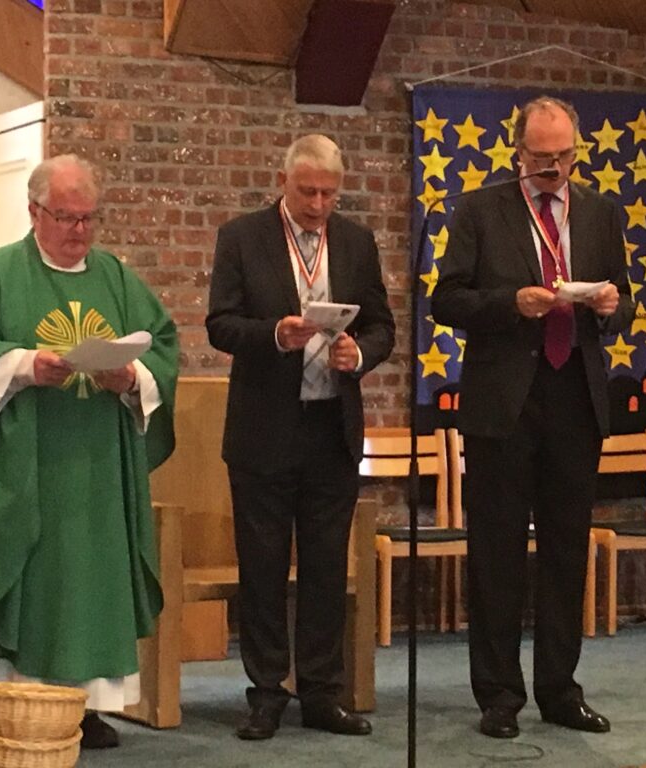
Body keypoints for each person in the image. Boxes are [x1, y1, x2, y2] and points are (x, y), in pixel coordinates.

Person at [0, 155, 179, 749]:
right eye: (66, 217)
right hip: (22, 463)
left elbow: (162, 346)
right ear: (34, 212)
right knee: (29, 575)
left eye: (89, 218)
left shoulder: (117, 278)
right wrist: (25, 366)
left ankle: (87, 707)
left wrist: (130, 377)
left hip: (98, 466)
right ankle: (16, 700)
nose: (79, 231)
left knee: (90, 581)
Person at [432, 96, 632, 739]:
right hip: (504, 403)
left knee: (566, 552)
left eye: (564, 157)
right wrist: (509, 303)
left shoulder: (601, 213)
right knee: (496, 553)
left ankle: (559, 689)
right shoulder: (480, 210)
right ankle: (498, 694)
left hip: (576, 397)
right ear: (518, 152)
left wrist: (611, 306)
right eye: (542, 158)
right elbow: (446, 300)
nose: (553, 169)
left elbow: (625, 301)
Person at [207, 134, 394, 740]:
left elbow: (383, 326)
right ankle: (266, 694)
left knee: (324, 568)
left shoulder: (357, 243)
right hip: (264, 427)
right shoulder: (243, 237)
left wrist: (358, 353)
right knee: (263, 568)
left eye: (329, 194)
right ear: (282, 181)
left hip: (331, 427)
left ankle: (321, 693)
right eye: (307, 191)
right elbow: (220, 324)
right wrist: (274, 335)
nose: (317, 205)